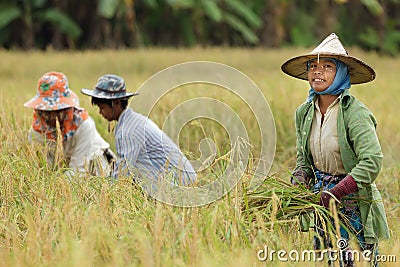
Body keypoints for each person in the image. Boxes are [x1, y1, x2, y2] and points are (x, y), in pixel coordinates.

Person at [281, 33, 389, 266]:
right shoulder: (304, 113)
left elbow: (371, 162)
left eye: (327, 66)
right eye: (313, 66)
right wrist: (300, 179)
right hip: (322, 201)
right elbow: (304, 160)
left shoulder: (354, 113)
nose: (317, 71)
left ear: (341, 74)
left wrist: (338, 192)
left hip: (352, 201)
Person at [80, 74, 196, 187]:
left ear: (116, 103)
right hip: (175, 179)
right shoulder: (132, 121)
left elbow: (122, 172)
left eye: (102, 108)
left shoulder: (129, 130)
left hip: (179, 183)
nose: (100, 113)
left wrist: (106, 194)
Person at [24, 71, 115, 177]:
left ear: (67, 108)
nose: (52, 117)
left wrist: (58, 188)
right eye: (47, 111)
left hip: (95, 168)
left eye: (57, 111)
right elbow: (44, 170)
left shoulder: (84, 125)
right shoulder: (37, 131)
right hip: (65, 174)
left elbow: (78, 170)